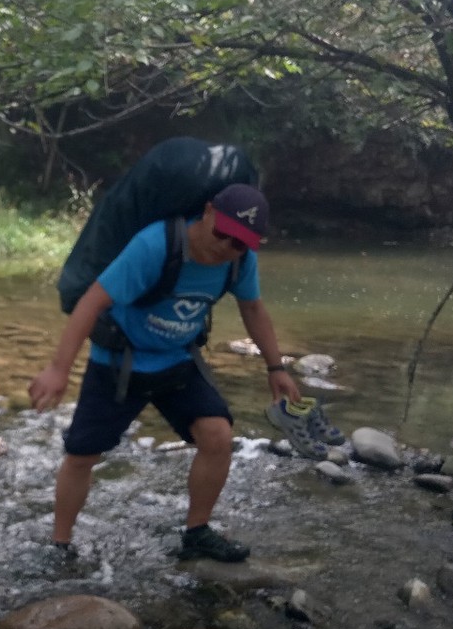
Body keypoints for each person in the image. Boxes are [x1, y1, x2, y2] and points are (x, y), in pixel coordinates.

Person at [27, 183, 300, 563]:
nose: (227, 247)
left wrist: (276, 368)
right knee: (82, 455)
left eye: (239, 243)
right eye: (222, 233)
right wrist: (59, 370)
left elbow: (253, 309)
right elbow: (92, 302)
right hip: (118, 362)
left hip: (176, 360)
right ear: (207, 212)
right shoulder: (155, 245)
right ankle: (60, 544)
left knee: (218, 434)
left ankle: (197, 532)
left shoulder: (239, 262)